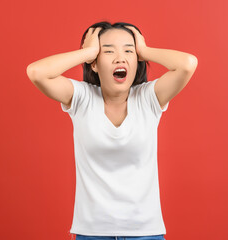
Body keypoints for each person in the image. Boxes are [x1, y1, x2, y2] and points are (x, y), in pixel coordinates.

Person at [26, 21, 198, 240]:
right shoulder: (82, 98)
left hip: (146, 233)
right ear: (95, 64)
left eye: (128, 50)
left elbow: (188, 64)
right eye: (107, 51)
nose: (120, 57)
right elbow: (36, 72)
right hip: (91, 233)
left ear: (137, 60)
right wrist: (88, 52)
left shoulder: (148, 98)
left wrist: (144, 50)